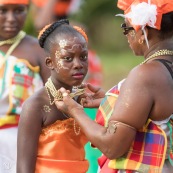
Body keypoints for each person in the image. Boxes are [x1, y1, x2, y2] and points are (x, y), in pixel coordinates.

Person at [54, 0, 173, 172]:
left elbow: (113, 147)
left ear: (143, 31)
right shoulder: (162, 70)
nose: (126, 36)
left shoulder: (145, 74)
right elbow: (153, 110)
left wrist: (74, 110)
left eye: (126, 29)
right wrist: (112, 99)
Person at [17, 19, 89, 173]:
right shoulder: (35, 106)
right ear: (50, 63)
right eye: (68, 58)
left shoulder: (82, 98)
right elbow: (23, 168)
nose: (78, 64)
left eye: (83, 57)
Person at [0, 0, 50, 172]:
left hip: (24, 142)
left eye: (19, 10)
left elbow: (55, 96)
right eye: (3, 11)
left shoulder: (37, 49)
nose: (11, 18)